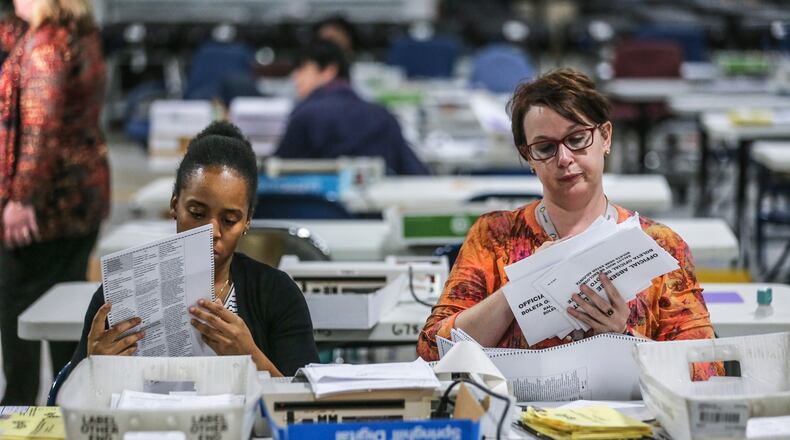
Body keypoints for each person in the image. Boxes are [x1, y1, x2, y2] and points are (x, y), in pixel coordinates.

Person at [417, 69, 722, 380]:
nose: (564, 158)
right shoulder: (494, 237)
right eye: (546, 148)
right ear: (529, 158)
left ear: (605, 137)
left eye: (577, 139)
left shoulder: (662, 246)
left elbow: (706, 371)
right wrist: (516, 292)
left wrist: (623, 337)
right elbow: (431, 351)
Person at [70, 122, 319, 377]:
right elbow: (61, 404)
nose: (211, 231)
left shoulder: (276, 293)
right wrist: (92, 367)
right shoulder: (119, 296)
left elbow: (303, 403)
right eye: (197, 213)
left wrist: (250, 358)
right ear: (175, 206)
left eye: (229, 220)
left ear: (247, 221)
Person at [0, 0, 109, 404]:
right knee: (64, 309)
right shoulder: (80, 34)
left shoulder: (45, 46)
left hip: (47, 205)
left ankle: (19, 408)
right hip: (83, 199)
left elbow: (40, 126)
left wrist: (22, 198)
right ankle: (67, 404)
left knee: (18, 308)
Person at [275, 40, 430, 176]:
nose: (295, 77)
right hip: (374, 208)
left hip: (318, 208)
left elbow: (275, 171)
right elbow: (416, 173)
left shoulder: (305, 115)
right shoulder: (382, 115)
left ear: (329, 70)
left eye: (302, 69)